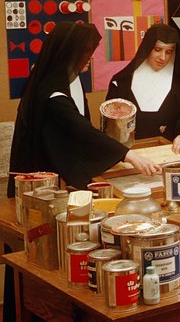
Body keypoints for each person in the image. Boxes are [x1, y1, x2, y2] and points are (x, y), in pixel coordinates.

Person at [7, 21, 160, 196]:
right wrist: (129, 156)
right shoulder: (51, 92)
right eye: (86, 52)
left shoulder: (71, 81)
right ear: (70, 54)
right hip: (43, 181)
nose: (91, 57)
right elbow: (81, 130)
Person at [106, 24, 180, 154]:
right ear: (147, 48)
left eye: (169, 51)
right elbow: (111, 130)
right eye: (158, 49)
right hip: (131, 157)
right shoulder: (121, 83)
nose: (163, 57)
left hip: (168, 155)